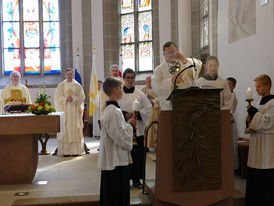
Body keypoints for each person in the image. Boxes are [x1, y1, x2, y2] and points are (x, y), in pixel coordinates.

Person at [98, 77, 136, 206]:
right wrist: (131, 126)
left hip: (115, 159)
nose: (122, 91)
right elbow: (119, 137)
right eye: (120, 88)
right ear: (114, 90)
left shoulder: (113, 110)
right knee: (115, 196)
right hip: (116, 161)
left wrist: (127, 124)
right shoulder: (113, 111)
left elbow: (117, 131)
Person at [118, 68, 151, 188]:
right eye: (128, 78)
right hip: (123, 129)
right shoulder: (119, 93)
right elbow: (115, 108)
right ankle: (124, 180)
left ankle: (137, 180)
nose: (130, 80)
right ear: (124, 79)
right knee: (124, 156)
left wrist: (137, 115)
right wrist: (124, 114)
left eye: (132, 78)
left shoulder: (140, 94)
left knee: (137, 156)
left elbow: (148, 108)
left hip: (137, 130)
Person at [245, 74, 274, 206]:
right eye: (256, 87)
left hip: (267, 144)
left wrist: (255, 114)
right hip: (256, 143)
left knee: (266, 175)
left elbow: (267, 123)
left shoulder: (273, 103)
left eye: (259, 86)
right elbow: (253, 124)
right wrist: (249, 120)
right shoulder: (257, 103)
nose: (256, 89)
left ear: (268, 86)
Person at [151, 41, 202, 110]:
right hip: (169, 108)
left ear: (178, 51)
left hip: (188, 105)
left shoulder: (185, 62)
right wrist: (171, 81)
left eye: (174, 52)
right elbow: (157, 88)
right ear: (164, 54)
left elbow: (199, 65)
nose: (172, 55)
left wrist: (185, 61)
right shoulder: (159, 70)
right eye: (169, 53)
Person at [54, 68, 85, 156]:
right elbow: (56, 98)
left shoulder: (78, 86)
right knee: (65, 129)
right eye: (67, 74)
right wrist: (65, 99)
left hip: (75, 111)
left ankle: (76, 151)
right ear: (65, 75)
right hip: (64, 111)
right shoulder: (61, 86)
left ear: (73, 75)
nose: (69, 76)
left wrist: (74, 99)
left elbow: (82, 97)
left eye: (71, 74)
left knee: (75, 129)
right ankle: (65, 151)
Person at [142, 76, 160, 149]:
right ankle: (146, 146)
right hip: (146, 111)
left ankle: (155, 145)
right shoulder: (143, 90)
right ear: (146, 82)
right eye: (148, 81)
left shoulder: (157, 89)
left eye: (151, 81)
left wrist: (153, 102)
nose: (150, 83)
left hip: (154, 111)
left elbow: (160, 98)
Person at [227, 77, 239, 171]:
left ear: (233, 86)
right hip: (225, 123)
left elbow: (229, 110)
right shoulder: (224, 95)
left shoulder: (232, 96)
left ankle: (232, 167)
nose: (227, 86)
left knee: (230, 146)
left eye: (229, 84)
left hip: (229, 123)